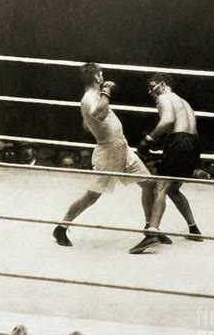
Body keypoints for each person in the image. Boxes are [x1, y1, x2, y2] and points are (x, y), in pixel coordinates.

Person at [52, 63, 157, 247]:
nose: (103, 78)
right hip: (109, 152)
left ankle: (150, 231)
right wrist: (107, 92)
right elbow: (99, 114)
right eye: (101, 75)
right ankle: (61, 227)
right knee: (92, 196)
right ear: (97, 78)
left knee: (149, 184)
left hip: (122, 147)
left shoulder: (93, 98)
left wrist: (96, 121)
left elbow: (88, 124)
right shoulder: (89, 98)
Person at [129, 73, 202, 254]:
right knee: (173, 189)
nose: (150, 91)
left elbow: (168, 119)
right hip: (193, 144)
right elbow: (185, 128)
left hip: (179, 142)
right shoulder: (184, 102)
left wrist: (148, 139)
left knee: (159, 187)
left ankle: (152, 232)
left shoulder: (164, 97)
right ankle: (194, 229)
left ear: (162, 85)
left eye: (152, 86)